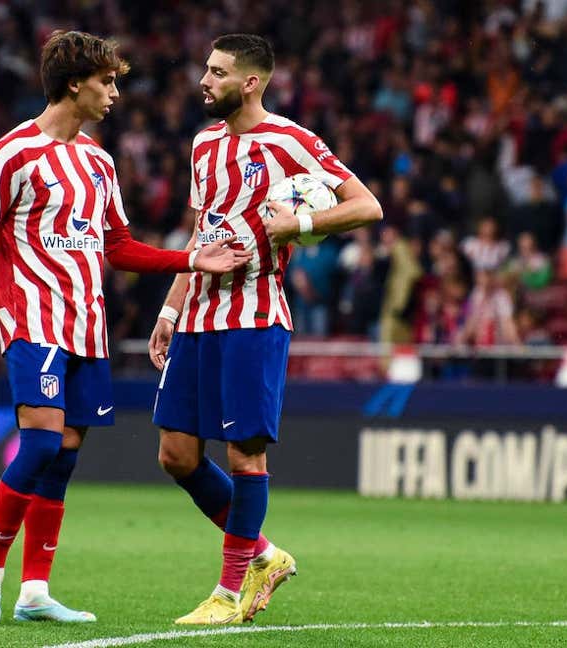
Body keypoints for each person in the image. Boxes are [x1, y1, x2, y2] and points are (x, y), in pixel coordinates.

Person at [0, 30, 249, 625]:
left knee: (64, 455)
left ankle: (35, 591)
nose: (114, 93)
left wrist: (193, 259)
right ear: (75, 82)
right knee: (38, 445)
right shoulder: (11, 153)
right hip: (33, 320)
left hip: (87, 327)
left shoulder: (99, 161)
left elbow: (121, 248)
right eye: (107, 81)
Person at [147, 34, 382, 625]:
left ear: (251, 82)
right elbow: (202, 231)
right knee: (175, 455)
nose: (204, 79)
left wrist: (300, 222)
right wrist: (171, 308)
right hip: (199, 314)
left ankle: (228, 594)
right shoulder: (202, 145)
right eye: (206, 67)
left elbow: (367, 206)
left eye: (218, 71)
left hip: (254, 315)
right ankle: (262, 554)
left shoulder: (291, 141)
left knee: (244, 452)